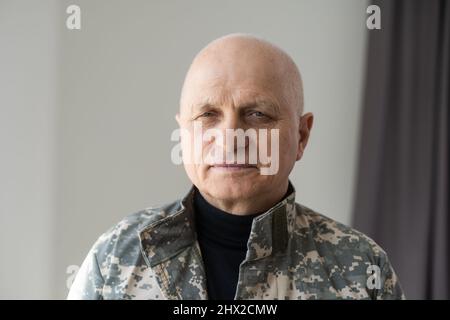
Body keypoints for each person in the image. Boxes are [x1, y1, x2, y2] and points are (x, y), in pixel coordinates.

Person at [68, 33, 405, 300]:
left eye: (257, 114)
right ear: (183, 132)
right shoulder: (116, 256)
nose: (230, 138)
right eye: (207, 115)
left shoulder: (361, 270)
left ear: (301, 136)